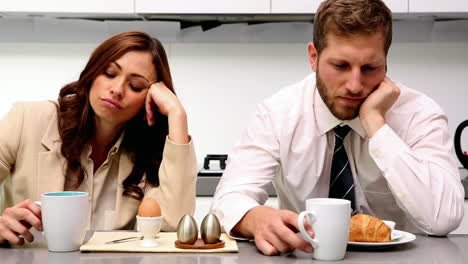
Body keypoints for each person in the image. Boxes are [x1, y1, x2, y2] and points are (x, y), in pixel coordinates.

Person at [212, 0, 464, 256]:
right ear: (314, 57)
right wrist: (255, 218)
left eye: (369, 68)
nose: (355, 85)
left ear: (386, 63)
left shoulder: (419, 114)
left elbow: (444, 217)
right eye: (341, 66)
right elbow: (228, 199)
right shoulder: (277, 114)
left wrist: (377, 125)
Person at [0, 31, 197, 246]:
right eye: (110, 73)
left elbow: (173, 224)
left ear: (148, 100)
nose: (116, 90)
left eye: (136, 86)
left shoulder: (148, 151)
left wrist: (178, 115)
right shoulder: (26, 119)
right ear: (93, 73)